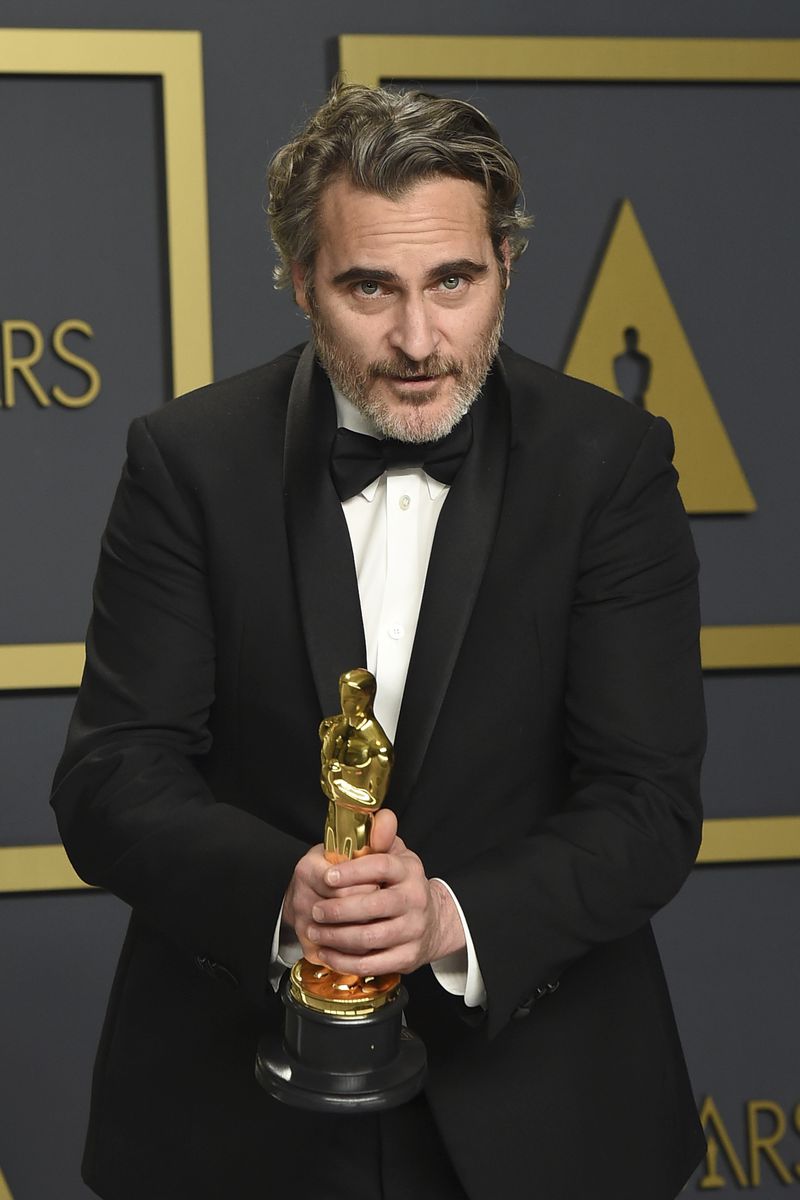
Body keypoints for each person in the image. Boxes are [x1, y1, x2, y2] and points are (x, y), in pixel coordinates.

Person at [52, 82, 706, 1200]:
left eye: (453, 280)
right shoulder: (187, 459)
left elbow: (645, 800)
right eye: (370, 287)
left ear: (502, 261)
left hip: (542, 1111)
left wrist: (448, 915)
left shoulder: (610, 464)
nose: (417, 339)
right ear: (300, 279)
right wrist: (287, 898)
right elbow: (113, 776)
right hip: (233, 1117)